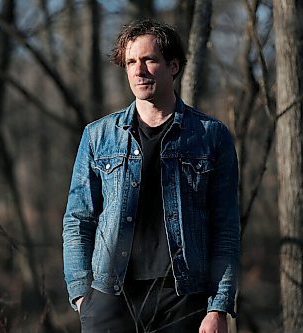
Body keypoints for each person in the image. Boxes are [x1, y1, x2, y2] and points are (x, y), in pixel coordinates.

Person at [63, 18, 240, 333]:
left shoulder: (211, 136)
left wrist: (218, 307)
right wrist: (82, 296)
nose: (138, 70)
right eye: (131, 62)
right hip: (110, 298)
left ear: (173, 65)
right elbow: (78, 220)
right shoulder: (98, 136)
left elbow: (225, 228)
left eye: (149, 60)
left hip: (183, 298)